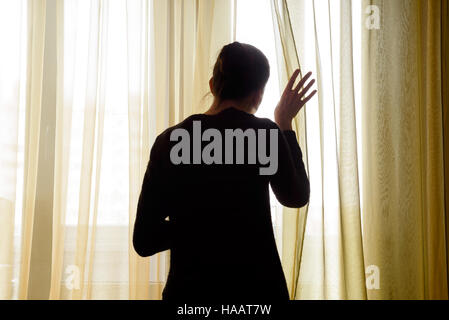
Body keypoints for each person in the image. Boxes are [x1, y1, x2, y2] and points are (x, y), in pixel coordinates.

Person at [132, 41, 316, 301]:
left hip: (190, 295)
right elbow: (296, 196)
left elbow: (144, 240)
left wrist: (197, 225)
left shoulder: (169, 141)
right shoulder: (264, 135)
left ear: (212, 85)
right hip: (258, 292)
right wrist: (284, 123)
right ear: (257, 95)